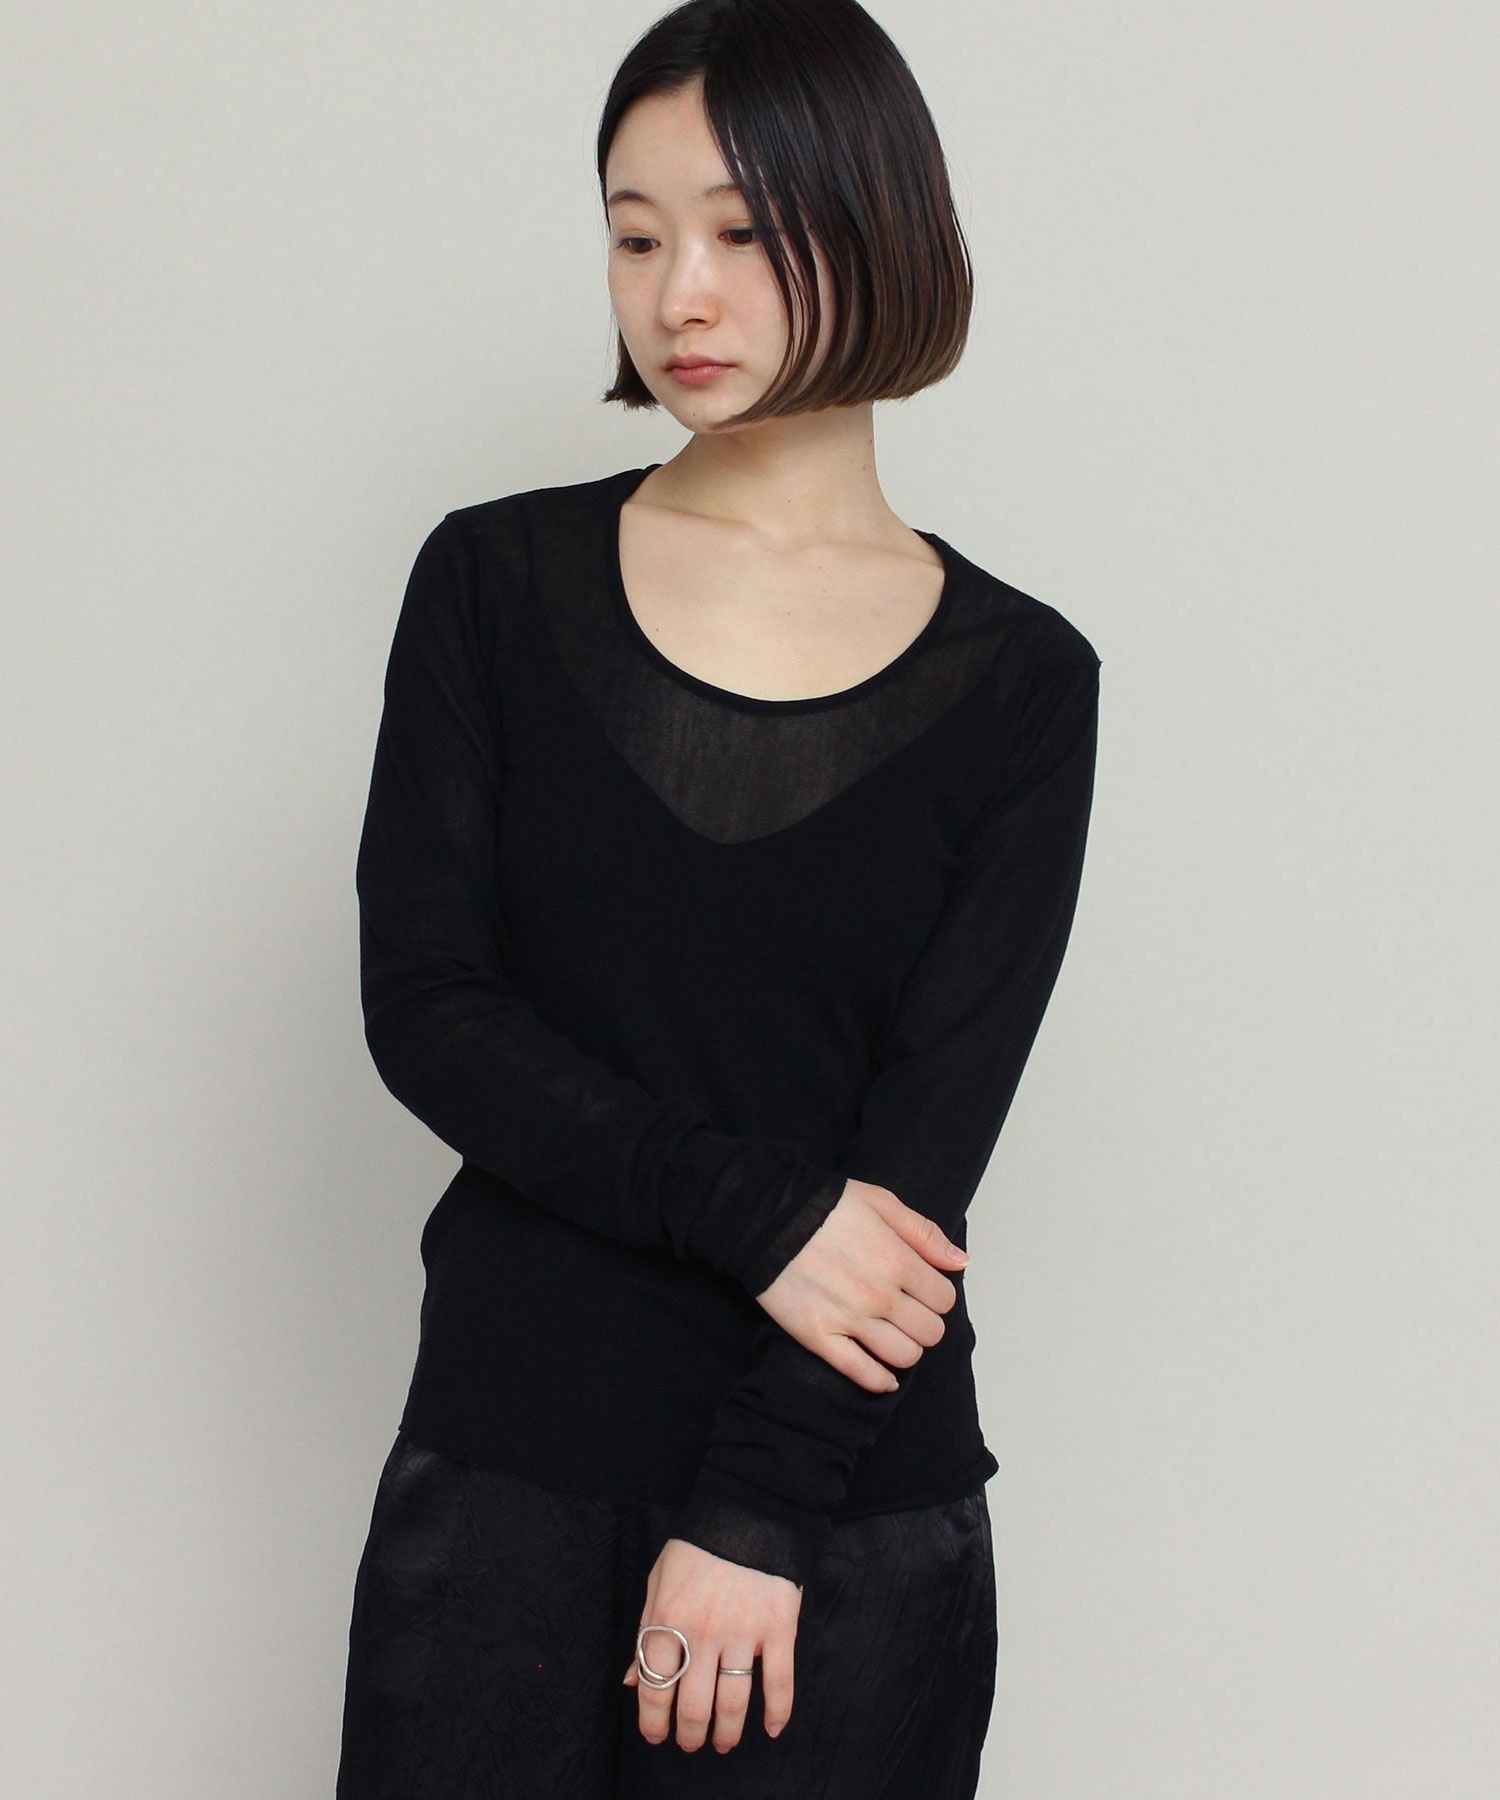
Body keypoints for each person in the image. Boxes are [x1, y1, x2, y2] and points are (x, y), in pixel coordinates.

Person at [334, 1, 1102, 1794]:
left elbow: (921, 1166)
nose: (681, 292)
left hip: (844, 1518)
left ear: (878, 226)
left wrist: (757, 1514)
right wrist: (758, 1213)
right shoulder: (492, 583)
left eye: (746, 231)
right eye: (636, 235)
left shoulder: (1023, 683)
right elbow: (429, 1007)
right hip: (512, 1473)